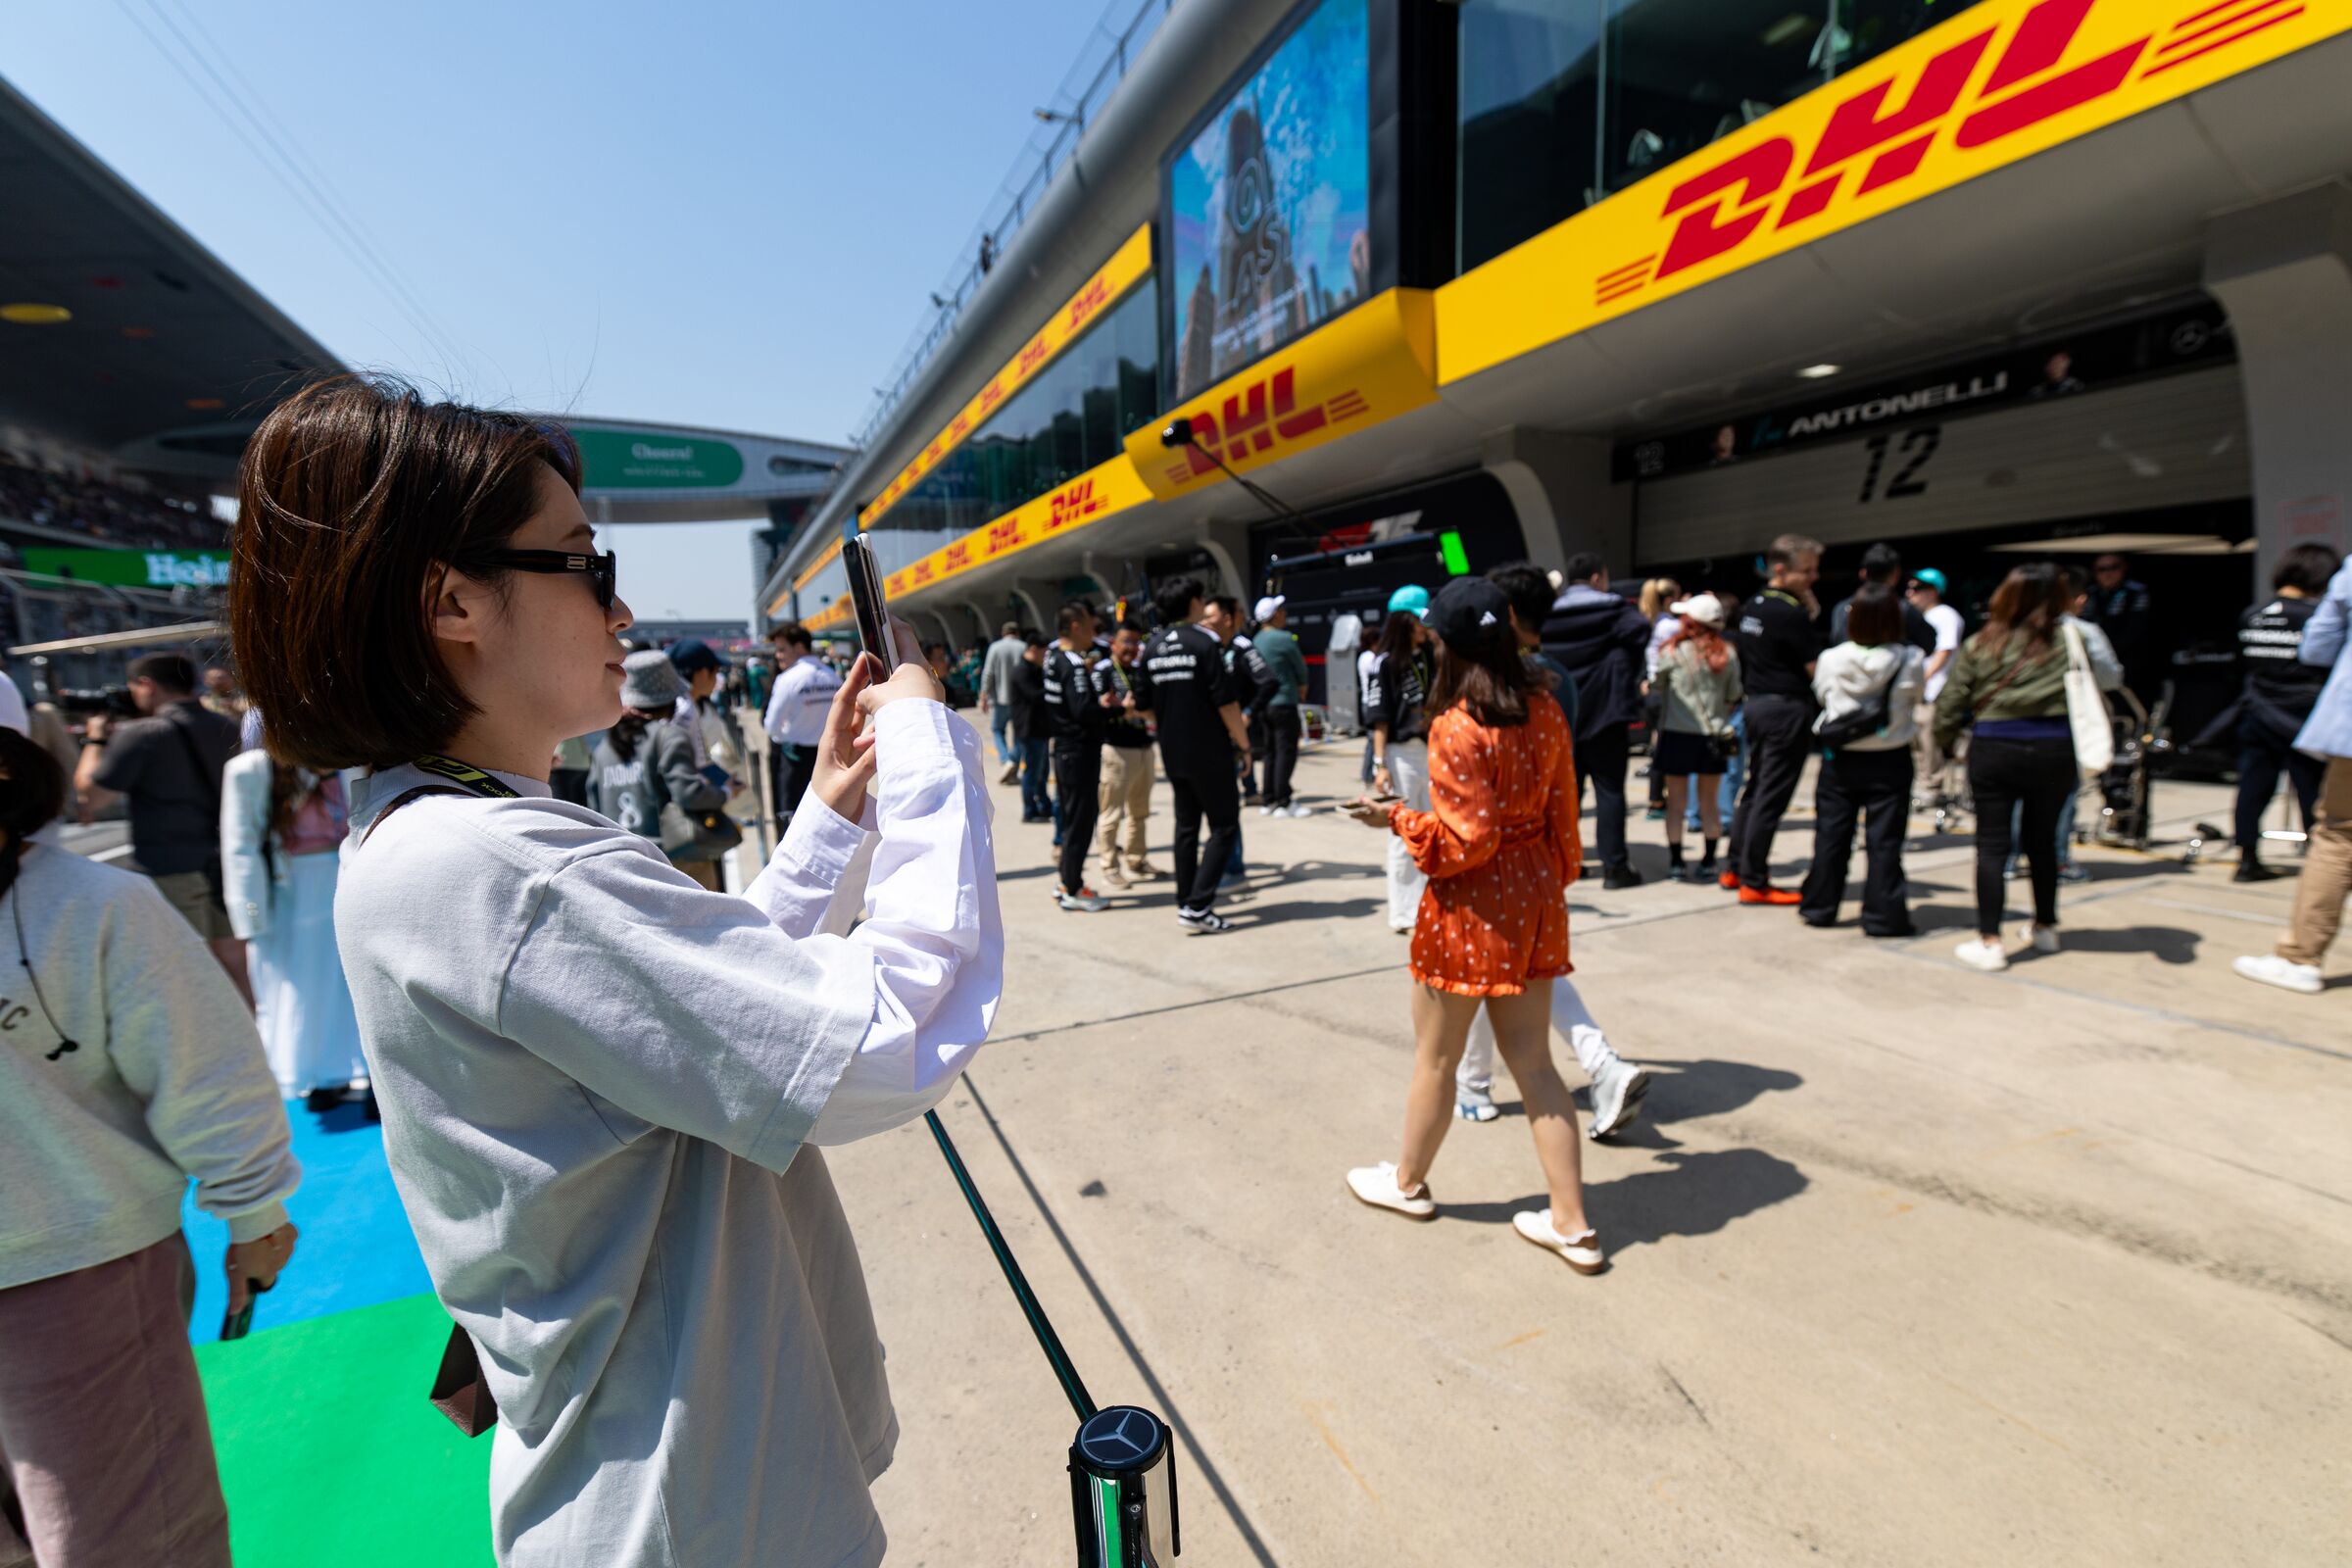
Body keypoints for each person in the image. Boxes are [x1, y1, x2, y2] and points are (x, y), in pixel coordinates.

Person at [226, 373, 1002, 1568]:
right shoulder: (494, 862)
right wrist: (923, 735)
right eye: (584, 564)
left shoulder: (437, 831)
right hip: (691, 1501)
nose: (622, 609)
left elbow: (698, 1015)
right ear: (452, 603)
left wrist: (836, 816)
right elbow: (875, 1040)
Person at [0, 727, 301, 1568]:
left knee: (121, 1539)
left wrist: (254, 1210)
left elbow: (203, 1066)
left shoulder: (90, 906)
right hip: (72, 1255)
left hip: (76, 1268)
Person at [1342, 577, 1604, 1275]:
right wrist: (1553, 879)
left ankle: (1406, 1184)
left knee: (1436, 1059)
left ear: (1450, 646)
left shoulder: (1457, 725)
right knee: (1538, 1067)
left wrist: (1395, 816)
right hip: (1535, 896)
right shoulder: (1545, 709)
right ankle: (1572, 1225)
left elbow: (1465, 842)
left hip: (1472, 905)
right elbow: (1565, 814)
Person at [1456, 564, 1649, 1139]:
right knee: (1531, 973)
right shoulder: (1555, 680)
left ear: (1505, 615)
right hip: (1540, 857)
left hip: (1487, 857)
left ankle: (1474, 1083)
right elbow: (1565, 783)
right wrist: (1566, 858)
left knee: (1481, 975)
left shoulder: (1484, 686)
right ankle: (1601, 1064)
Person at [73, 652, 251, 1004]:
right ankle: (253, 1034)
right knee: (233, 955)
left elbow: (89, 795)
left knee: (179, 963)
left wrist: (95, 738)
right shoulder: (227, 726)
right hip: (225, 859)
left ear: (147, 684)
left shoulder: (142, 733)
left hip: (170, 866)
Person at [1935, 563, 2082, 973]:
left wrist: (1945, 744)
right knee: (2044, 842)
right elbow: (2108, 676)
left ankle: (1990, 940)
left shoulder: (1983, 643)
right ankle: (2046, 926)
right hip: (2055, 748)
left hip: (1995, 746)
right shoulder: (2072, 639)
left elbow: (1951, 702)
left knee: (1992, 847)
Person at [221, 744, 368, 1105]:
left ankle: (363, 1071)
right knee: (301, 984)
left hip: (347, 878)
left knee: (351, 984)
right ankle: (317, 1075)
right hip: (291, 894)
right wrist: (249, 916)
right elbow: (240, 844)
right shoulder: (252, 770)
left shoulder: (348, 759)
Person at [2234, 549, 2352, 995]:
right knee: (2306, 800)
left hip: (2270, 714)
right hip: (2298, 713)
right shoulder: (2304, 609)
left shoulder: (2255, 612)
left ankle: (2301, 955)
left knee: (2336, 834)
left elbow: (2319, 646)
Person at [1799, 583, 1926, 937]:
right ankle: (1883, 916)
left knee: (1831, 835)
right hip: (1890, 757)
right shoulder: (1910, 658)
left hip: (1840, 756)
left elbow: (1823, 696)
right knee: (1885, 841)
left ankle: (1820, 906)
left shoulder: (1831, 658)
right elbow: (1915, 696)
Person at [2220, 544, 2341, 881]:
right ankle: (2320, 866)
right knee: (2313, 795)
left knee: (2253, 789)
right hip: (2302, 718)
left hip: (2256, 713)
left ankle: (2247, 859)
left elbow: (2241, 665)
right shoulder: (2314, 617)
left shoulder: (2253, 613)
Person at [1143, 576, 1250, 933]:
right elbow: (1227, 702)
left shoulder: (1153, 646)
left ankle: (1186, 900)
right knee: (1224, 825)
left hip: (1173, 752)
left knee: (1186, 826)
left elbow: (1142, 706)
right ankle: (1200, 905)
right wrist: (1245, 745)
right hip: (1210, 751)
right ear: (1192, 603)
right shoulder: (1205, 643)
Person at [1727, 534, 1825, 905]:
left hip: (1757, 707)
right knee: (1770, 796)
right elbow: (1814, 667)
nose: (1813, 578)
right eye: (1808, 571)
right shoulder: (1789, 612)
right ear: (1781, 569)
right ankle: (1754, 880)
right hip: (1786, 711)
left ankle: (1735, 867)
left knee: (1753, 792)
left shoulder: (1755, 605)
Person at [1543, 554, 1650, 888]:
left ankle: (1567, 863)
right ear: (1596, 578)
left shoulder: (1549, 615)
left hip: (1563, 717)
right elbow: (1641, 632)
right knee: (1610, 791)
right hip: (1606, 715)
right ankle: (1615, 868)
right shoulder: (1614, 610)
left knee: (1567, 796)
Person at [592, 651, 735, 891]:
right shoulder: (668, 735)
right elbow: (688, 792)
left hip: (623, 860)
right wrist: (725, 793)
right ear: (669, 699)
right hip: (675, 858)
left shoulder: (604, 749)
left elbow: (594, 805)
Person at [1652, 593, 1742, 884]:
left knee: (1676, 803)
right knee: (1709, 803)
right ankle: (1708, 860)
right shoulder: (1728, 654)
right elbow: (1733, 695)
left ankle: (1677, 862)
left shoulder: (1672, 652)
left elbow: (1658, 686)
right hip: (1713, 736)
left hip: (1677, 734)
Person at [1366, 591, 1435, 934]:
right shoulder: (1386, 662)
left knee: (1434, 829)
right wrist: (1380, 764)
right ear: (1406, 621)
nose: (1425, 626)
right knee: (1403, 832)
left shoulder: (1432, 656)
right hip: (1401, 754)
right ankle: (1404, 912)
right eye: (1420, 619)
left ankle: (1429, 904)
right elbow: (1380, 719)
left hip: (1432, 752)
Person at [1045, 601, 1116, 912]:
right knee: (1080, 821)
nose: (1094, 631)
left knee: (1071, 819)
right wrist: (1106, 707)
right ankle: (1072, 888)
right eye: (1089, 625)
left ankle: (1066, 882)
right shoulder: (1072, 664)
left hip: (1064, 749)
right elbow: (1083, 711)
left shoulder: (1054, 658)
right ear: (1075, 627)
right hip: (1078, 751)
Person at [1096, 618, 1160, 887]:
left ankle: (1136, 858)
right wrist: (1119, 708)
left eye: (1136, 642)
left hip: (1145, 748)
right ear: (1113, 643)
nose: (1132, 647)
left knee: (1140, 812)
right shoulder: (1102, 672)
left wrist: (1129, 708)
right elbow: (1095, 709)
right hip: (1117, 751)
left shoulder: (1140, 671)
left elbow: (1153, 707)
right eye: (1127, 641)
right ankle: (1109, 865)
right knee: (1111, 813)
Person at [763, 619, 842, 824]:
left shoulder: (787, 679)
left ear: (799, 647)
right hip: (831, 756)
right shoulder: (833, 676)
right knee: (829, 817)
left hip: (796, 760)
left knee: (796, 821)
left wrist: (786, 736)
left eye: (782, 649)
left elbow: (771, 726)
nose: (777, 655)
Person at [1906, 568, 1967, 808]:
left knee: (1929, 741)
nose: (1911, 593)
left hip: (1935, 689)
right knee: (1916, 742)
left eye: (1917, 589)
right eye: (1909, 588)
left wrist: (1923, 679)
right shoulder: (1918, 615)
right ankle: (1922, 784)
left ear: (1933, 591)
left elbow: (1945, 650)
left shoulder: (1945, 614)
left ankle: (1932, 786)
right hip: (1920, 688)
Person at [1251, 594, 1310, 815]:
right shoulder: (1285, 638)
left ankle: (1268, 799)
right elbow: (1300, 669)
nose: (1285, 613)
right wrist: (1302, 686)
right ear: (1274, 615)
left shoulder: (1255, 640)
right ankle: (1283, 801)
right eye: (1281, 610)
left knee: (1270, 752)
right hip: (1284, 702)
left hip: (1263, 704)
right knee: (1286, 751)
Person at [1828, 543, 1937, 653]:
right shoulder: (1903, 608)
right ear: (1896, 574)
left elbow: (1837, 643)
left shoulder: (1842, 608)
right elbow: (1928, 645)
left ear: (1863, 573)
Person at [2081, 553, 2157, 700]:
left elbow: (2136, 628)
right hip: (2096, 658)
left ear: (2124, 569)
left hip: (2130, 661)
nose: (2108, 573)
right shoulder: (2090, 593)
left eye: (2114, 567)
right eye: (2102, 569)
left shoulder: (2136, 592)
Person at [1639, 577, 1683, 819]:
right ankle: (1657, 801)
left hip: (1652, 691)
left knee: (1659, 746)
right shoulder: (1670, 626)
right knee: (1666, 749)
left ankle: (1657, 799)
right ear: (1668, 600)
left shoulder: (1651, 622)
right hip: (1665, 692)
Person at [1009, 634, 1054, 822]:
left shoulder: (1036, 670)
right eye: (1043, 654)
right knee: (1032, 773)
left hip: (1040, 729)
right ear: (1033, 649)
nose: (1045, 658)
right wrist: (1053, 687)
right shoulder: (1021, 671)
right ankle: (1029, 811)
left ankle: (1044, 805)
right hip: (1028, 729)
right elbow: (1034, 695)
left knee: (1042, 772)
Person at [979, 619, 1027, 784]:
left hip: (1001, 698)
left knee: (998, 729)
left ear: (1003, 633)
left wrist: (983, 695)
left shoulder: (995, 647)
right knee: (1020, 732)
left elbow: (988, 673)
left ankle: (1007, 760)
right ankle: (1013, 761)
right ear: (1017, 632)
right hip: (1021, 699)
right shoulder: (1023, 646)